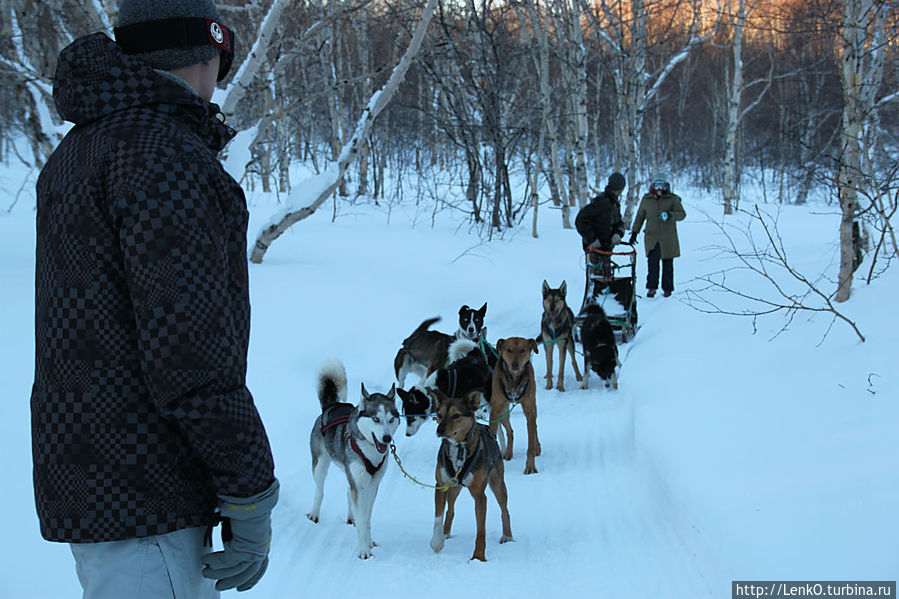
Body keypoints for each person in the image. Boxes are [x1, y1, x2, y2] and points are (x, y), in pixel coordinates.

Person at [32, 1, 277, 597]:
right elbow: (188, 351)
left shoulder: (85, 147)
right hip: (147, 495)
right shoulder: (161, 154)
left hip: (96, 483)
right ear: (211, 49)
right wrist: (250, 489)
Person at [629, 173, 687, 297]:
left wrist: (670, 215)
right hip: (652, 237)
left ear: (666, 186)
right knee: (652, 264)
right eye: (657, 185)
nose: (659, 188)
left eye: (662, 185)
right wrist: (634, 232)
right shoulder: (646, 200)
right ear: (653, 186)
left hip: (668, 238)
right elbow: (640, 217)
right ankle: (651, 288)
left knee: (668, 264)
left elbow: (682, 214)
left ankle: (667, 289)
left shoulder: (673, 199)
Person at [575, 172, 627, 278]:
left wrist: (618, 233)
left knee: (606, 278)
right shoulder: (601, 201)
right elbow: (580, 220)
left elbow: (618, 222)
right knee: (596, 280)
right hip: (595, 249)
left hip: (606, 247)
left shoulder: (614, 203)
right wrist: (593, 239)